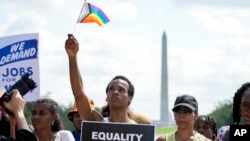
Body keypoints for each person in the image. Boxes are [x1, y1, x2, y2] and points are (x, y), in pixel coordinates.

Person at [65, 33, 138, 124]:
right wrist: (72, 57)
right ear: (106, 97)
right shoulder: (97, 122)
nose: (115, 92)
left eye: (121, 90)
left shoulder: (138, 130)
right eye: (111, 89)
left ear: (130, 98)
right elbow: (79, 94)